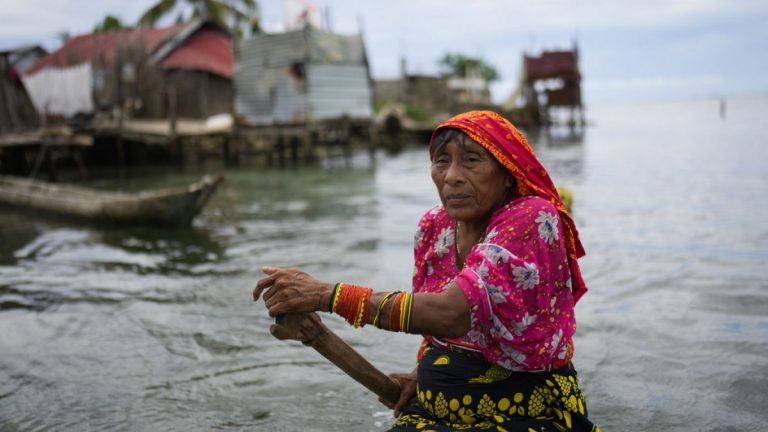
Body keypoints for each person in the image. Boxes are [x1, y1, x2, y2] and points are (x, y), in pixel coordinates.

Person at [254, 111, 600, 431]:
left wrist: (326, 295)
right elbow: (432, 320)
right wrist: (421, 372)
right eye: (441, 161)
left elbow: (451, 313)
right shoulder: (435, 225)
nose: (452, 176)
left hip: (526, 415)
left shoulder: (530, 217)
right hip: (431, 412)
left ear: (508, 172)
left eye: (471, 160)